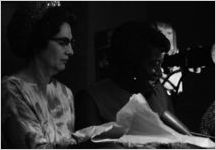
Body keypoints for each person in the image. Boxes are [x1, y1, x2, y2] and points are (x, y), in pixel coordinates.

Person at [1, 2, 82, 148]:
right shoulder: (11, 89)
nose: (71, 51)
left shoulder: (65, 93)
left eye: (71, 43)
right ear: (39, 40)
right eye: (63, 42)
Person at [75, 21, 177, 130]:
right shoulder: (91, 100)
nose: (159, 73)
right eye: (153, 64)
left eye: (160, 64)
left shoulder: (158, 93)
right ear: (130, 63)